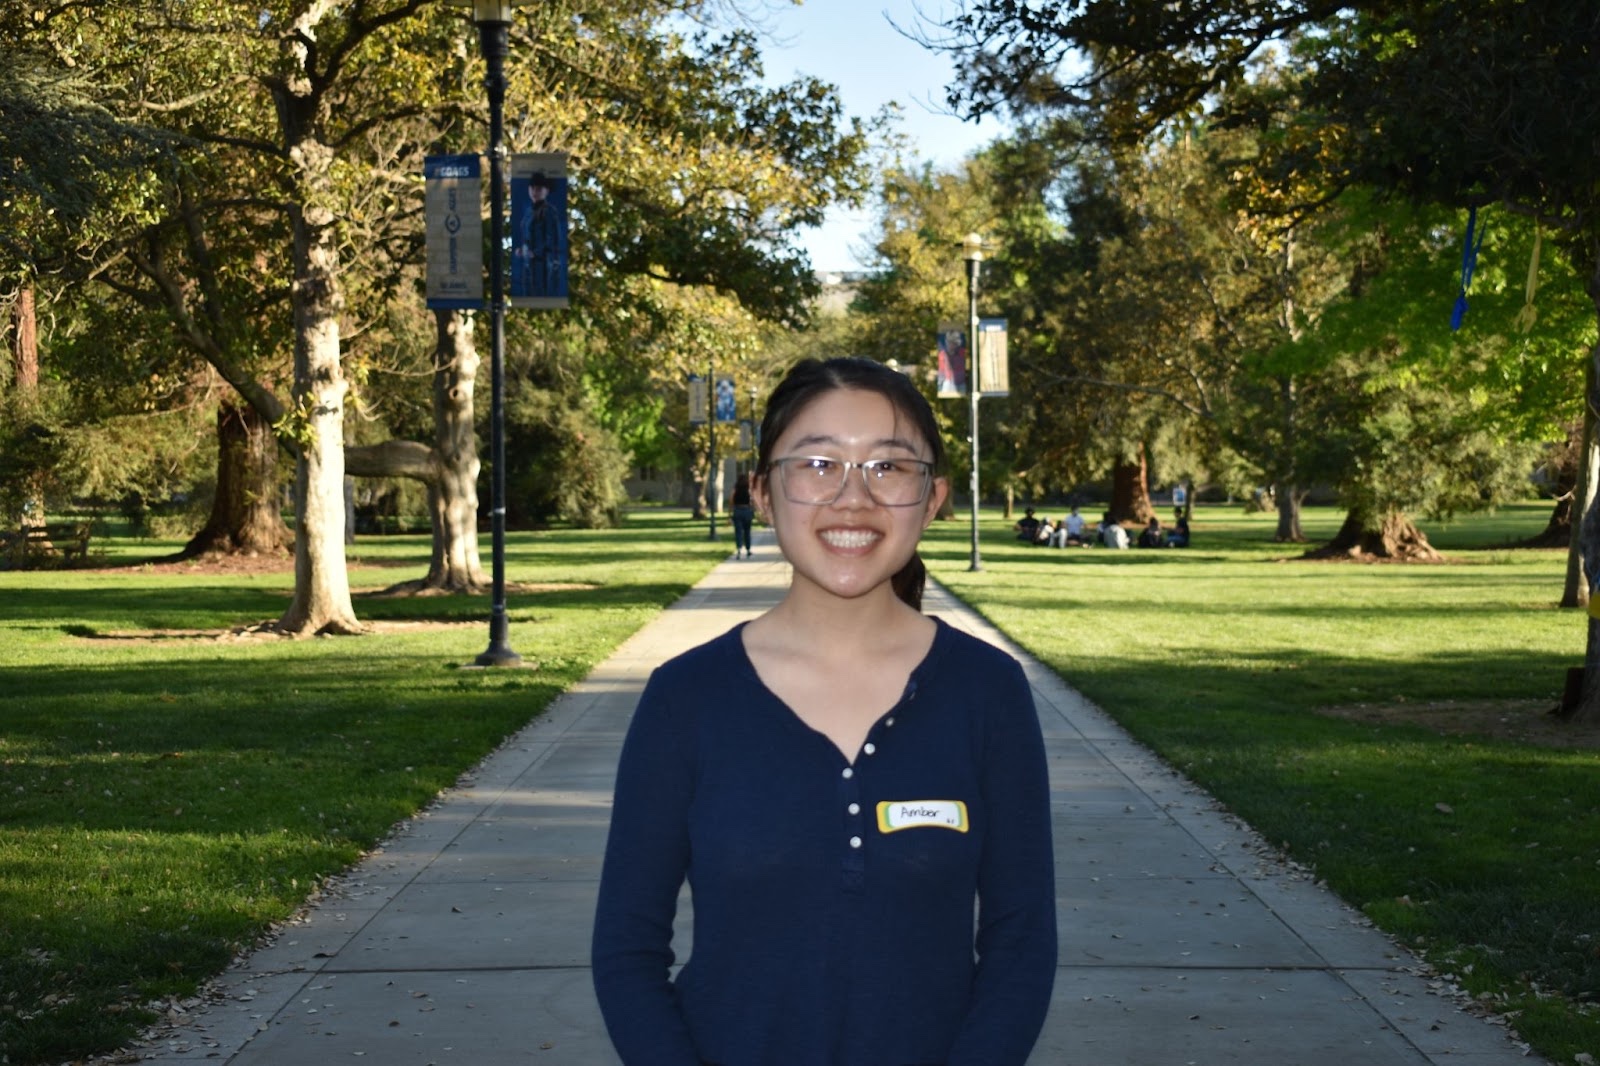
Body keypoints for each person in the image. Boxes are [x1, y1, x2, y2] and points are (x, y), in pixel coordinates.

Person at [593, 357, 1057, 1066]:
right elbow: (627, 948)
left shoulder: (988, 691)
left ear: (932, 498)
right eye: (817, 464)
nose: (852, 498)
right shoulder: (686, 698)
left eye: (888, 468)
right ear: (762, 492)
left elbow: (1021, 940)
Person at [513, 172, 565, 298]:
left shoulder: (549, 211)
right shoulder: (529, 211)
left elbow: (553, 238)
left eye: (539, 189)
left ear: (546, 191)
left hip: (543, 263)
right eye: (532, 188)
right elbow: (527, 235)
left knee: (540, 294)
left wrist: (536, 252)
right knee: (528, 294)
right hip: (528, 262)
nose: (535, 192)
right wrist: (522, 250)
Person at [729, 473, 755, 558]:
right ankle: (748, 549)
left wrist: (730, 512)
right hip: (747, 510)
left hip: (737, 510)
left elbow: (731, 499)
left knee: (738, 531)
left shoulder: (736, 488)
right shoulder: (748, 489)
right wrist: (752, 509)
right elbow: (752, 500)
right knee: (747, 531)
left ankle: (739, 549)